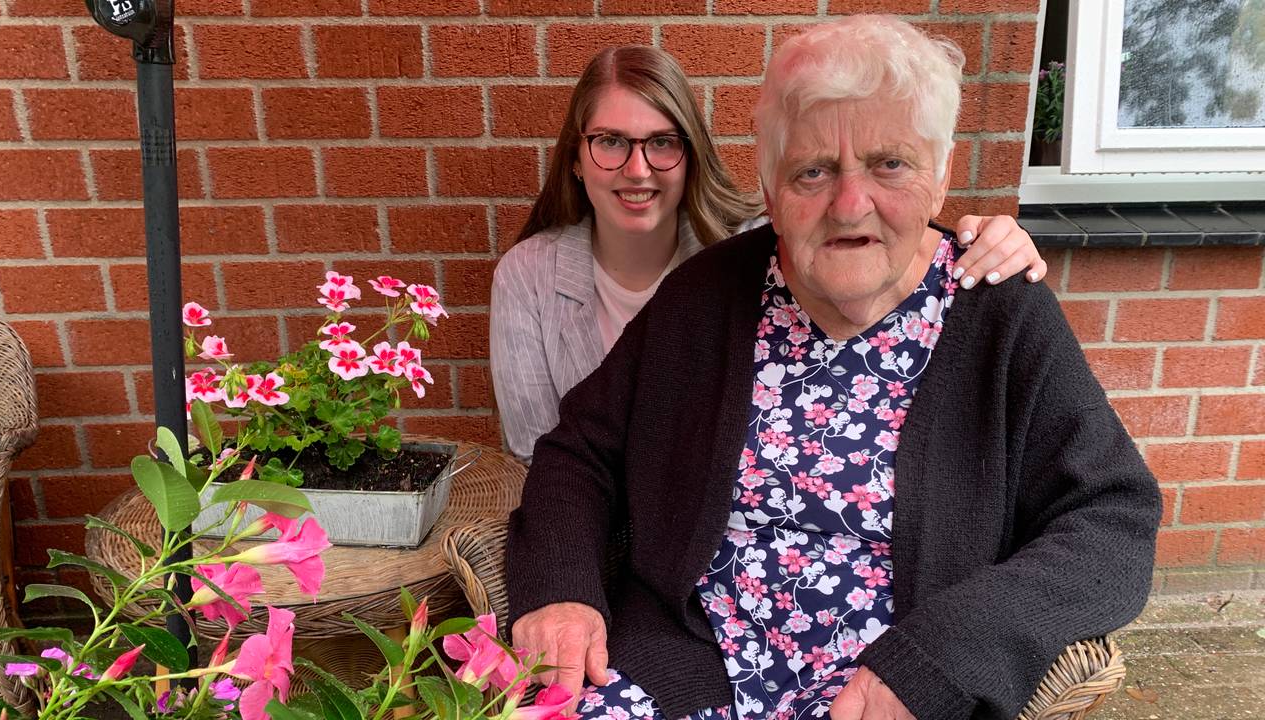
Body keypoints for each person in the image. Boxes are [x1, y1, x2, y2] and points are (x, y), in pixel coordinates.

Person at [505, 17, 1161, 720]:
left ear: (940, 176)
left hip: (896, 686)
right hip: (687, 660)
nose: (851, 204)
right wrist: (561, 586)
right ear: (769, 186)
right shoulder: (708, 294)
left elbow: (1111, 516)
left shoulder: (999, 312)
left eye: (889, 164)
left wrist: (944, 655)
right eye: (813, 171)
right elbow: (579, 451)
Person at [489, 44, 1049, 464]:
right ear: (576, 158)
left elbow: (869, 244)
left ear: (691, 155)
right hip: (593, 532)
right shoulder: (530, 277)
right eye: (610, 142)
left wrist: (983, 241)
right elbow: (536, 454)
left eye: (662, 142)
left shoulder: (755, 251)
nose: (638, 170)